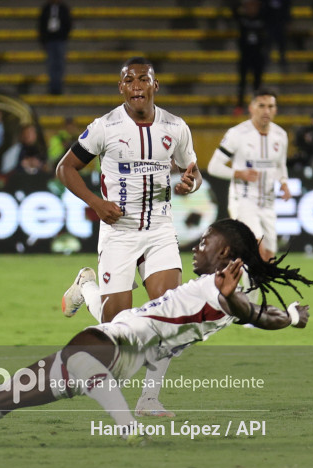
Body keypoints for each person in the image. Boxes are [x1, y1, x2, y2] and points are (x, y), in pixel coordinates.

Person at [0, 219, 313, 447]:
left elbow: (245, 308)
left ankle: (126, 424)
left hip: (113, 346)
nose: (198, 245)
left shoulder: (222, 287)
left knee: (73, 360)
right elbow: (259, 315)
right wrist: (291, 317)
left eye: (207, 240)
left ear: (227, 253)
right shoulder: (229, 293)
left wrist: (258, 307)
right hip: (121, 352)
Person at [56, 57, 203, 417]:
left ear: (155, 85)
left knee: (170, 314)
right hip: (119, 232)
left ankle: (148, 399)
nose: (137, 85)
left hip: (159, 230)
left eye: (144, 79)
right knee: (117, 331)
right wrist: (96, 203)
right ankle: (86, 288)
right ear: (121, 88)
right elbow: (65, 168)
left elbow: (193, 170)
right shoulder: (104, 127)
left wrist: (190, 183)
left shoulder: (175, 126)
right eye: (129, 80)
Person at [208, 88, 291, 264]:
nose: (266, 111)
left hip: (268, 202)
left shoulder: (280, 135)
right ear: (251, 108)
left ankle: (244, 281)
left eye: (270, 106)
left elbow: (280, 165)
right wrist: (238, 173)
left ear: (275, 110)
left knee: (269, 258)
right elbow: (213, 167)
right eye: (261, 106)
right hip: (244, 200)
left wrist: (283, 183)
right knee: (257, 249)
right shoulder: (237, 134)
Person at [232, 0, 267, 114]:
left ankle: (256, 106)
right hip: (245, 55)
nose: (251, 9)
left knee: (257, 83)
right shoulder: (243, 19)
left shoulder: (262, 18)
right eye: (248, 6)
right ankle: (239, 106)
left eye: (254, 6)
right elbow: (234, 10)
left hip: (257, 56)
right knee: (242, 82)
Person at [38, 0, 72, 95]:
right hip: (49, 40)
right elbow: (42, 24)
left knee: (59, 64)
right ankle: (53, 87)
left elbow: (68, 23)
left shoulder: (63, 8)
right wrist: (43, 38)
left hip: (60, 39)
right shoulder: (46, 8)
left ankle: (58, 87)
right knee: (51, 64)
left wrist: (64, 36)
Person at [263, 0, 292, 70]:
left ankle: (282, 59)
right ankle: (266, 59)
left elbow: (287, 9)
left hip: (280, 22)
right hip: (269, 23)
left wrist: (288, 21)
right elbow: (263, 9)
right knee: (267, 42)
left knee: (282, 43)